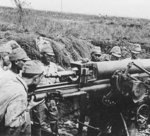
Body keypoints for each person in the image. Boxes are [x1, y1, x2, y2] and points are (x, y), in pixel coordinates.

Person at [0, 60, 44, 136]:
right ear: (36, 79)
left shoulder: (11, 80)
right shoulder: (20, 93)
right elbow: (12, 127)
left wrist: (28, 106)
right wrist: (27, 110)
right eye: (41, 78)